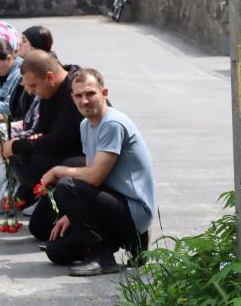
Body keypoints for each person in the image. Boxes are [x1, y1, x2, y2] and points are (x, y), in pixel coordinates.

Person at [34, 68, 156, 277]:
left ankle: (103, 256)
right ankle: (133, 242)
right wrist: (72, 215)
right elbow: (92, 178)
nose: (84, 101)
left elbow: (95, 176)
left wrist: (58, 170)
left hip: (134, 209)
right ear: (72, 97)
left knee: (66, 184)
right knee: (57, 252)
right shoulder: (85, 125)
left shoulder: (112, 124)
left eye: (90, 94)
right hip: (113, 203)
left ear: (104, 93)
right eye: (79, 95)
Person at [0, 50, 85, 206]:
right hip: (69, 150)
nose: (31, 91)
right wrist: (16, 142)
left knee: (35, 161)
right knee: (23, 155)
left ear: (50, 77)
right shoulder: (51, 90)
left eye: (33, 86)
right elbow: (42, 129)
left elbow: (59, 140)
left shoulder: (74, 91)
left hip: (93, 160)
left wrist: (18, 145)